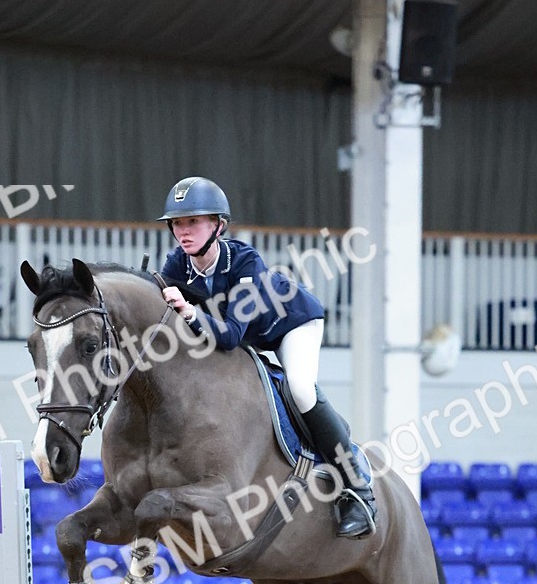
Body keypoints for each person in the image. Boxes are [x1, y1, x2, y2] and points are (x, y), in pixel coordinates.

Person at [159, 176, 377, 539]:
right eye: (178, 223)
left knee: (300, 390)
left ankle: (357, 485)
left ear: (218, 225)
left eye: (193, 222)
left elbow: (229, 336)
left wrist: (191, 312)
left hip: (291, 324)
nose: (184, 232)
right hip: (250, 337)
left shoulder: (244, 261)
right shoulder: (176, 266)